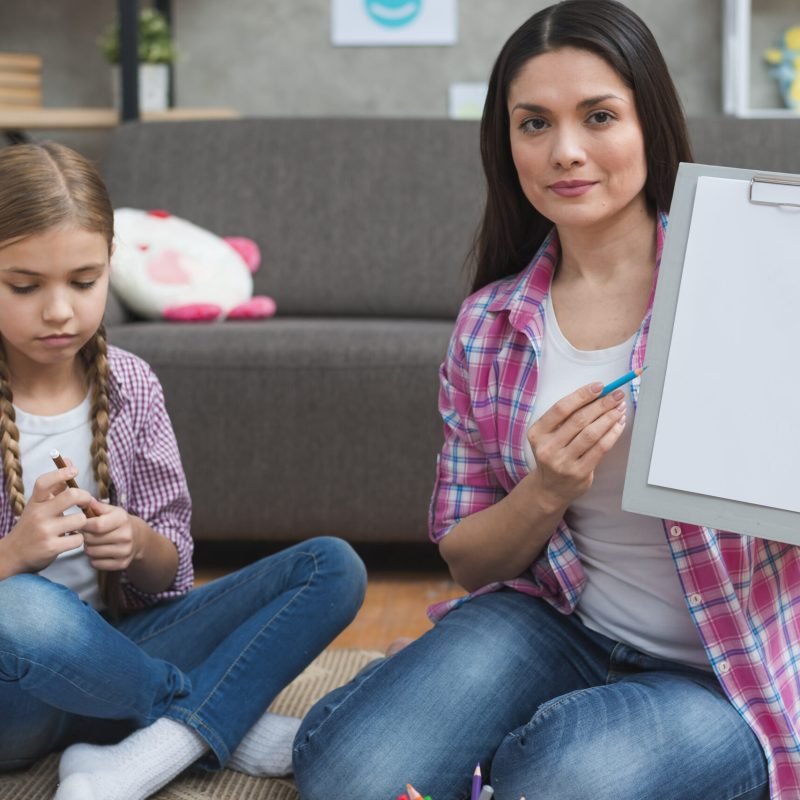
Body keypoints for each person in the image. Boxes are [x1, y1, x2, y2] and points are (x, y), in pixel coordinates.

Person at [292, 2, 797, 799]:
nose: (566, 152)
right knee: (351, 777)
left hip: (721, 670)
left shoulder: (755, 281)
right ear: (508, 143)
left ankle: (492, 748)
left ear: (648, 125)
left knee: (557, 781)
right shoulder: (489, 324)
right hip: (560, 626)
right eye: (534, 124)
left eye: (599, 116)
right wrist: (547, 489)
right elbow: (467, 558)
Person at [0, 141, 367, 800]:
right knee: (22, 611)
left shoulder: (132, 386)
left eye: (83, 282)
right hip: (15, 703)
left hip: (123, 649)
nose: (59, 311)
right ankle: (196, 718)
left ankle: (145, 735)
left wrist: (137, 543)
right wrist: (13, 555)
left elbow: (172, 572)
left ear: (111, 266)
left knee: (333, 567)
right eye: (25, 287)